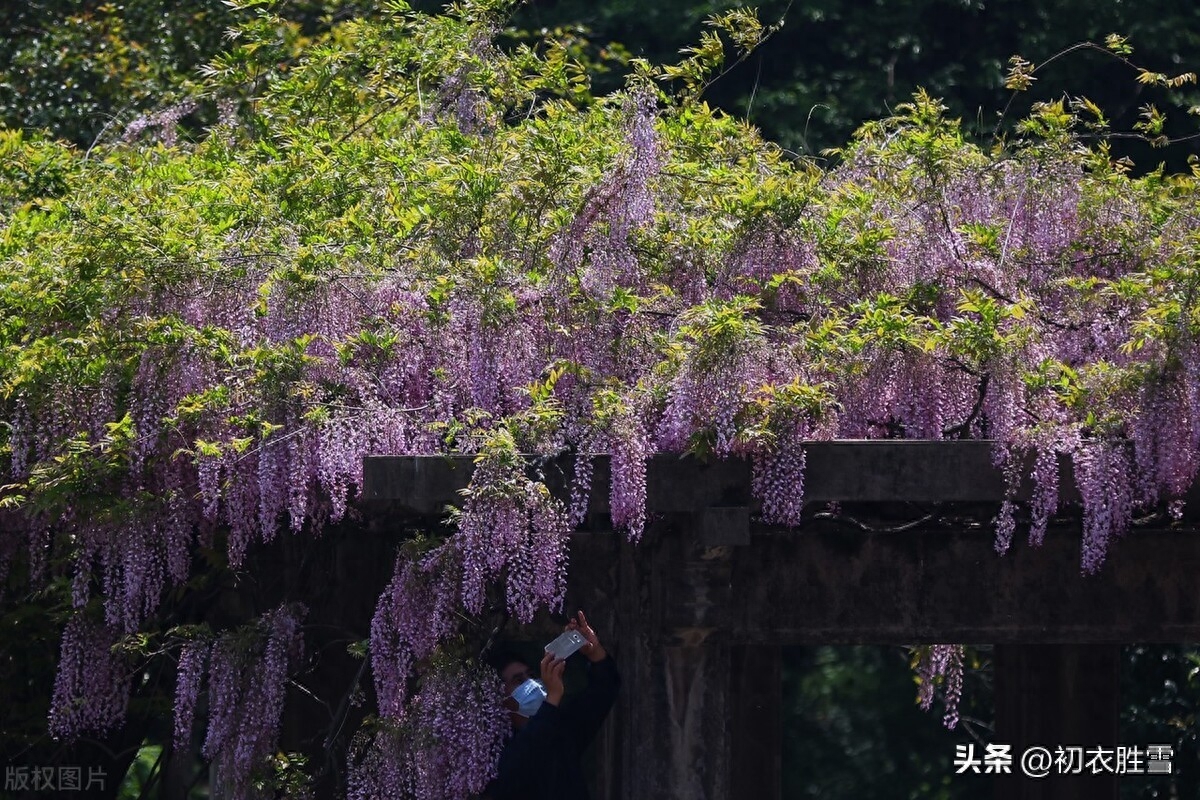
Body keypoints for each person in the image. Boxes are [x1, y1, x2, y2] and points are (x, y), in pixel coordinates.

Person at [483, 610, 620, 800]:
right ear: (499, 698)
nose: (531, 684)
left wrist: (594, 651)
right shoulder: (492, 752)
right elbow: (526, 756)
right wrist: (553, 697)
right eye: (518, 681)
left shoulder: (560, 729)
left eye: (531, 675)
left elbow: (603, 692)